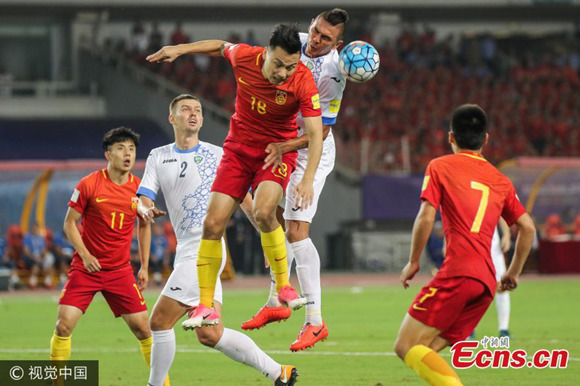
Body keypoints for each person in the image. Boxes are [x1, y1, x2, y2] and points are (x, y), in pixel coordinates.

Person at [146, 24, 323, 331]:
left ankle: (283, 286)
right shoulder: (245, 56)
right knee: (212, 224)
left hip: (275, 152)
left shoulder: (303, 81)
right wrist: (179, 49)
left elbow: (316, 134)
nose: (283, 73)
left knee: (265, 210)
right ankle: (206, 306)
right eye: (278, 64)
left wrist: (307, 179)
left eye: (290, 66)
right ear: (266, 53)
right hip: (238, 151)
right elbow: (219, 46)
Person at [138, 94, 299, 386]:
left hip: (205, 250)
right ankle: (279, 372)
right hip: (186, 250)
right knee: (210, 334)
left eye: (198, 110)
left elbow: (247, 202)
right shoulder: (158, 156)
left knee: (159, 322)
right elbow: (144, 196)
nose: (193, 114)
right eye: (186, 109)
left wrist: (266, 236)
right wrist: (144, 208)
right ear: (172, 118)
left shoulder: (218, 155)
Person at [394, 104, 536, 385]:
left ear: (450, 138)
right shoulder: (501, 181)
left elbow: (425, 216)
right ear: (485, 139)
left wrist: (413, 261)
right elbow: (528, 228)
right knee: (427, 349)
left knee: (404, 346)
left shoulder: (440, 166)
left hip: (458, 272)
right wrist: (513, 273)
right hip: (485, 282)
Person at [241, 8, 349, 352]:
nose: (316, 40)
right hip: (280, 140)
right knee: (265, 213)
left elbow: (323, 131)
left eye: (326, 38)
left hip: (308, 149)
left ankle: (315, 321)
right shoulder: (294, 44)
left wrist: (288, 147)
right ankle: (276, 300)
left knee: (295, 230)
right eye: (315, 31)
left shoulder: (334, 73)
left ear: (338, 44)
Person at [49, 127, 169, 386]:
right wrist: (85, 254)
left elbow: (144, 224)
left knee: (144, 330)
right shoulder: (89, 184)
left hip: (120, 271)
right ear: (108, 154)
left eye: (131, 149)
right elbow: (69, 224)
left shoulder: (140, 188)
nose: (127, 154)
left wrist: (145, 266)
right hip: (85, 269)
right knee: (63, 326)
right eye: (120, 149)